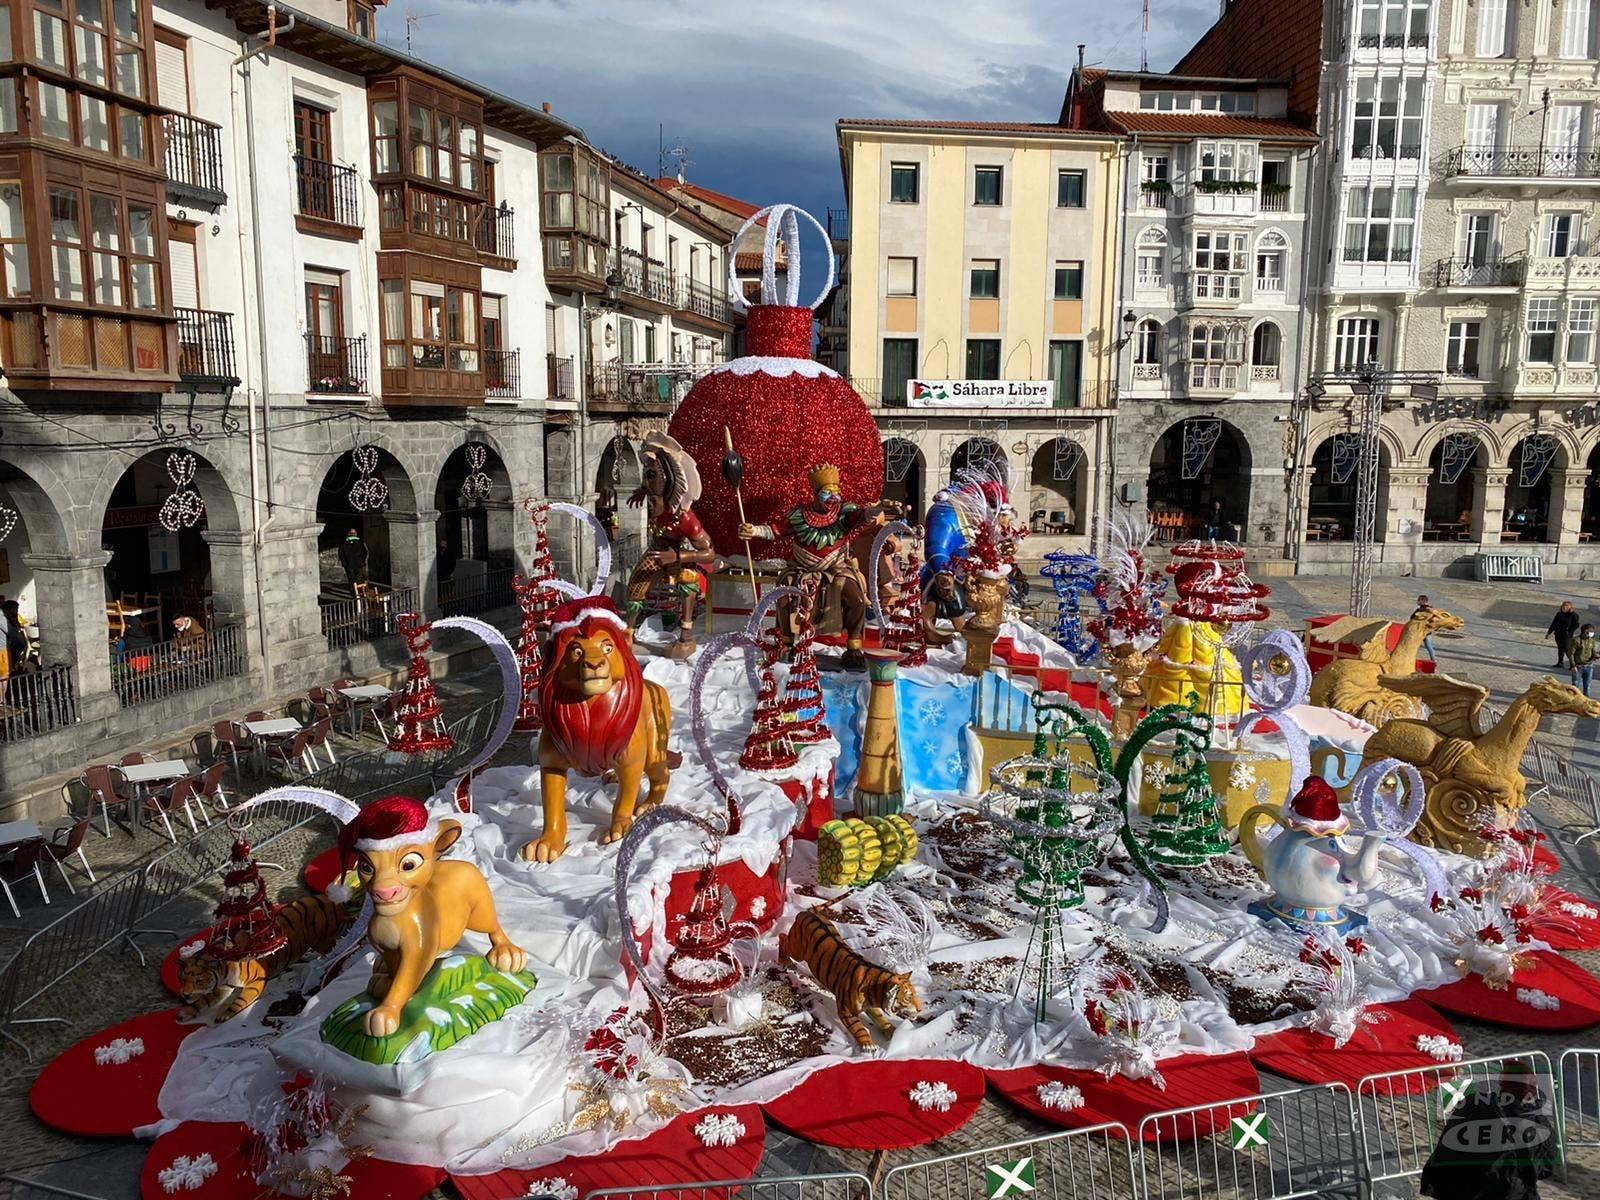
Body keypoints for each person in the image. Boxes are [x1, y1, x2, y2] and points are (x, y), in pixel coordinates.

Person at [1420, 1059, 1557, 1198]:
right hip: (1508, 1192)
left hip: (1459, 1188)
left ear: (1502, 1084)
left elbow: (1448, 1146)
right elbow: (1547, 1168)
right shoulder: (1538, 1124)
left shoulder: (1472, 1104)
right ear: (1532, 1091)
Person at [1547, 601, 1580, 668]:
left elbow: (1576, 625)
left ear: (1570, 607)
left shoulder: (1573, 615)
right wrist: (1549, 632)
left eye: (1566, 606)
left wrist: (1570, 631)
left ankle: (1573, 664)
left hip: (1567, 636)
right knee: (1560, 649)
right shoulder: (1559, 614)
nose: (1564, 607)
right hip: (1558, 634)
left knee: (1567, 649)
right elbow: (1554, 623)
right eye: (1563, 605)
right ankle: (1560, 663)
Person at [338, 528, 370, 595]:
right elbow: (365, 552)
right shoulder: (360, 542)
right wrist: (363, 561)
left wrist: (345, 564)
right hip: (358, 564)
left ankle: (354, 594)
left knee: (352, 581)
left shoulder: (344, 543)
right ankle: (359, 594)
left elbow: (341, 554)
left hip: (350, 565)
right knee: (359, 580)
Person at [1573, 624, 1598, 697]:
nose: (1591, 633)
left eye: (1592, 631)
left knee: (1587, 686)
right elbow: (1571, 654)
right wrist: (1573, 665)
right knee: (1575, 685)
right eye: (1589, 631)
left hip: (1589, 666)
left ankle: (1586, 701)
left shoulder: (1592, 641)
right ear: (1584, 631)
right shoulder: (1576, 640)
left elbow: (1593, 651)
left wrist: (1595, 656)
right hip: (1578, 666)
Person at [1413, 594, 1437, 663]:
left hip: (1422, 631)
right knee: (1428, 646)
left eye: (1419, 600)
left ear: (1423, 601)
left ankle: (1433, 660)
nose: (1417, 601)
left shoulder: (1422, 610)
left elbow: (1412, 617)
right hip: (1426, 631)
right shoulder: (1428, 609)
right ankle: (1433, 660)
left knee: (1426, 645)